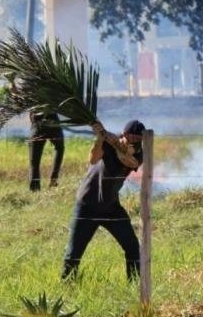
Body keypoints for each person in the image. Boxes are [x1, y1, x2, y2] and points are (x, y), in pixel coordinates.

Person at [62, 119, 145, 282]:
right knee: (74, 253)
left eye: (137, 139)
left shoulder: (138, 153)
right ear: (124, 133)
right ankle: (67, 286)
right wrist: (100, 137)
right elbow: (93, 159)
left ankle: (135, 285)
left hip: (111, 207)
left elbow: (130, 161)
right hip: (86, 205)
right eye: (130, 137)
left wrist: (119, 146)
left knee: (133, 247)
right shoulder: (106, 144)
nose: (133, 141)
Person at [28, 111, 64, 191]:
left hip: (37, 121)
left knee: (34, 161)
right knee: (60, 148)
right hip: (52, 119)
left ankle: (35, 189)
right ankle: (54, 180)